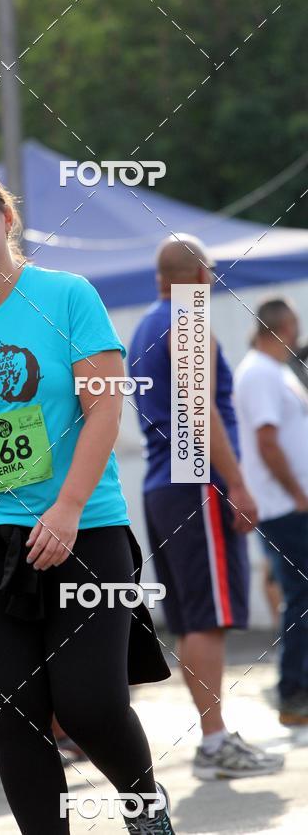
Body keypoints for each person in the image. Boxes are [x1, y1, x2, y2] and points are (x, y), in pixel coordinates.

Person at [0, 159, 176, 835]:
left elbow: (105, 408)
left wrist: (65, 508)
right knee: (16, 714)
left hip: (84, 529)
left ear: (6, 215)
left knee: (88, 704)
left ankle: (145, 811)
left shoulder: (66, 296)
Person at [129, 234, 284, 780]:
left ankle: (214, 737)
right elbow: (203, 413)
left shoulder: (149, 322)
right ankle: (215, 742)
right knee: (208, 618)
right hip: (196, 481)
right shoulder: (186, 319)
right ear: (199, 274)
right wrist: (238, 484)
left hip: (163, 484)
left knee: (197, 616)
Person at [234, 298, 308, 725]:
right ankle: (292, 692)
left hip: (290, 502)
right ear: (280, 326)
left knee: (301, 596)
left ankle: (297, 688)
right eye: (294, 326)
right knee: (300, 597)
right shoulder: (260, 372)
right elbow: (266, 440)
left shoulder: (276, 370)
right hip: (284, 506)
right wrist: (297, 493)